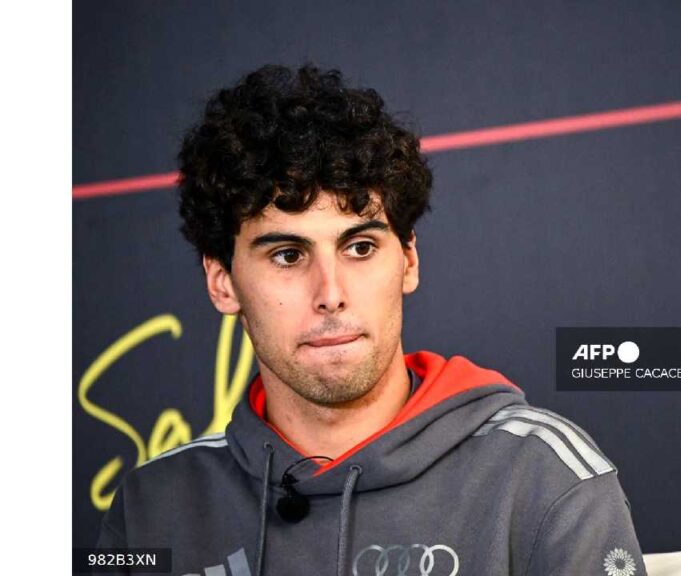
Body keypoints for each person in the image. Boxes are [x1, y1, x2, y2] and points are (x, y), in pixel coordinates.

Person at [97, 64, 646, 576]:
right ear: (223, 282)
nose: (331, 294)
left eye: (359, 247)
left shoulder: (543, 476)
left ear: (408, 260)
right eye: (287, 255)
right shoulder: (151, 506)